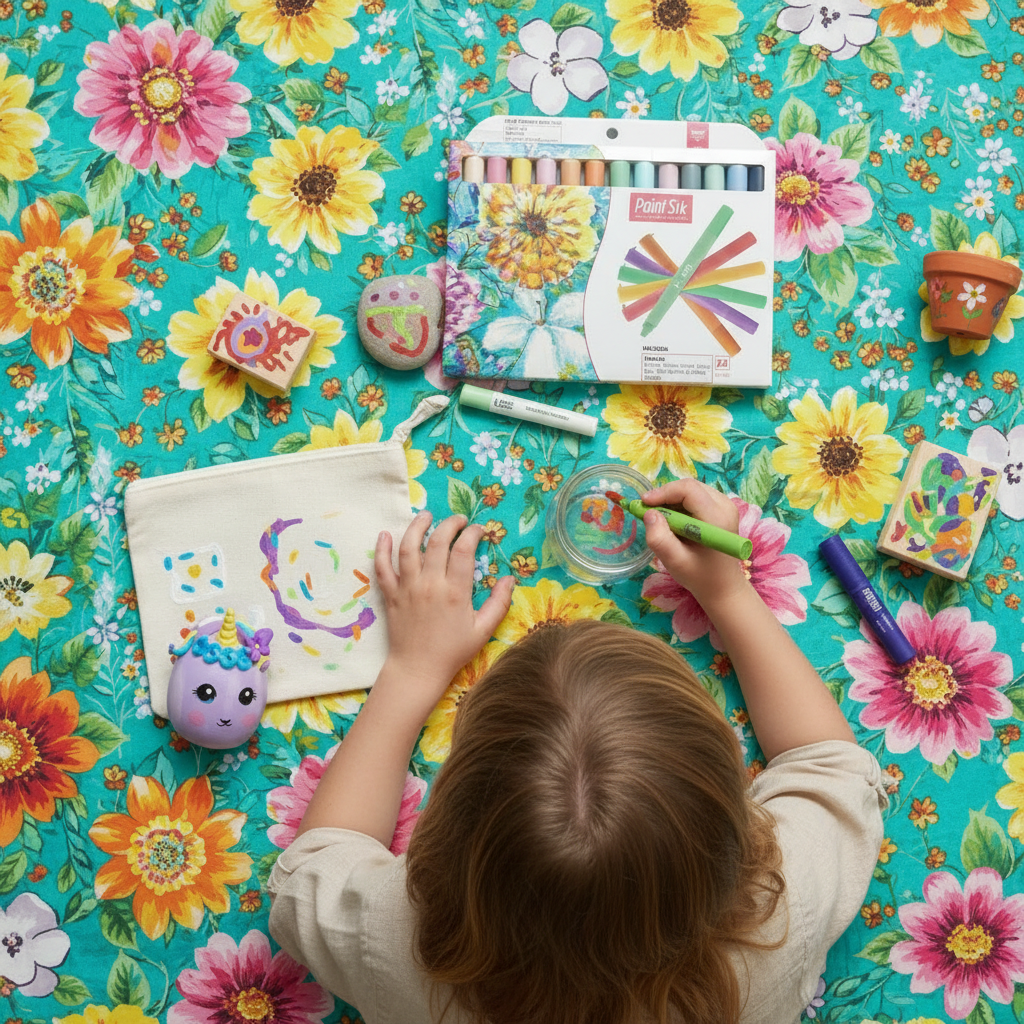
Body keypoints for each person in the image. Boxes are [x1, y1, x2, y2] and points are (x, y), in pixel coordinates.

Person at [268, 478, 889, 1024]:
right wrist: (729, 594)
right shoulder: (779, 926)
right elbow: (829, 763)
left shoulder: (398, 955)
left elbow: (314, 866)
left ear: (444, 831)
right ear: (730, 814)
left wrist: (411, 670)